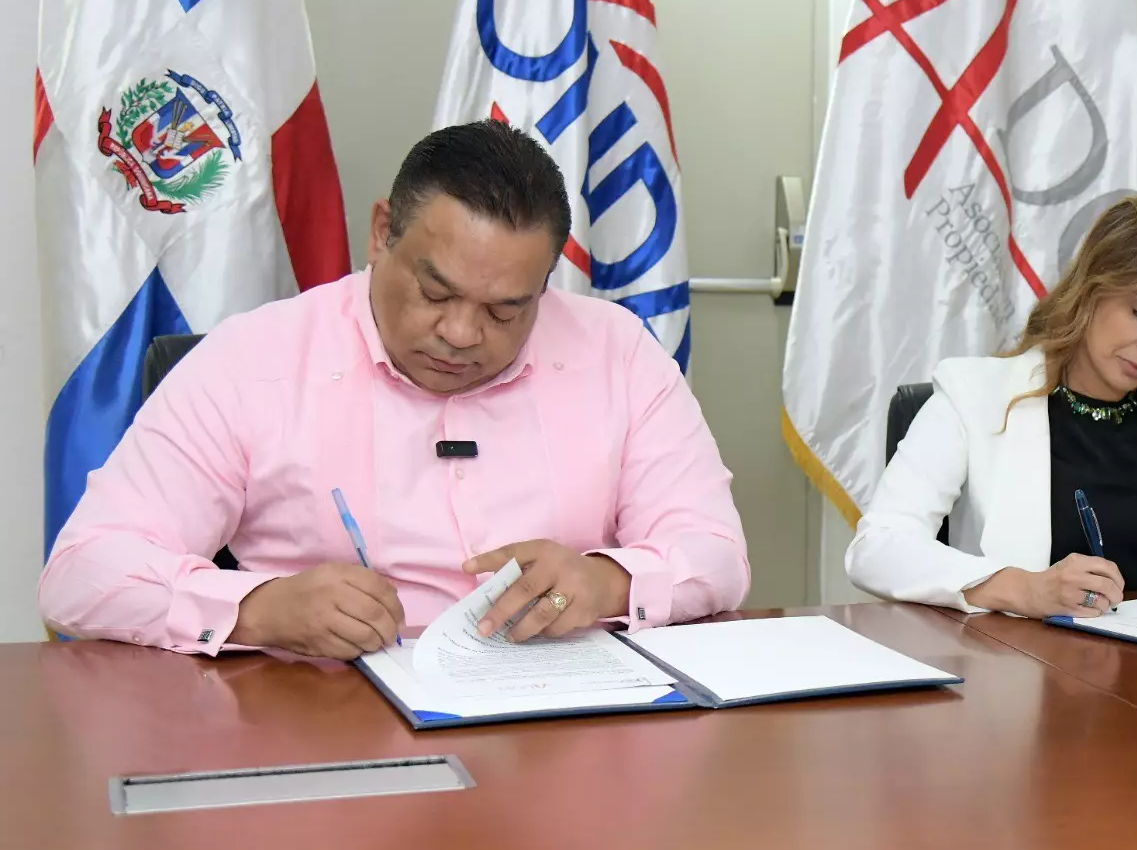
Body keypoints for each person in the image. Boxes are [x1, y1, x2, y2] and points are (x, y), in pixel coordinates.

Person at [39, 121, 750, 658]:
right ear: (382, 234)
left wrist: (607, 582)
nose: (462, 333)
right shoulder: (254, 361)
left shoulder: (616, 351)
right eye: (436, 293)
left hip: (562, 729)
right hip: (328, 730)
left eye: (506, 310)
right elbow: (82, 573)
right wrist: (259, 608)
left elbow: (716, 552)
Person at [846, 195, 1137, 618]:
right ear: (1092, 288)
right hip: (1019, 657)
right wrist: (1024, 589)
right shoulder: (975, 394)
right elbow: (876, 549)